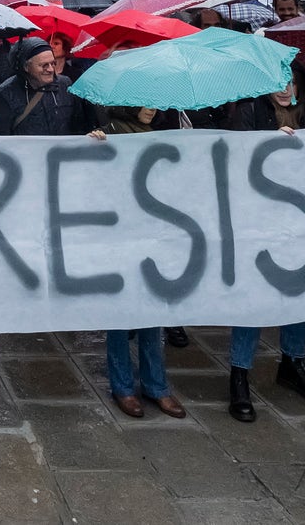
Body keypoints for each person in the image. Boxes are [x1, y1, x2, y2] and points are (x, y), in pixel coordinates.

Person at [226, 66, 305, 423]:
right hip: (256, 220)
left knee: (299, 293)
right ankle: (239, 374)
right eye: (276, 83)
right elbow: (233, 158)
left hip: (302, 222)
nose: (284, 89)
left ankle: (293, 362)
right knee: (253, 298)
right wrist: (266, 142)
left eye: (290, 82)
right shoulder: (249, 113)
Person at [94, 106, 187, 420]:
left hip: (154, 231)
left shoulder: (161, 132)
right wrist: (93, 145)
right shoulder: (111, 131)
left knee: (153, 311)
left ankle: (155, 385)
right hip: (120, 233)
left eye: (153, 102)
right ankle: (122, 385)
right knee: (120, 314)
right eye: (143, 102)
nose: (151, 108)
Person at [0, 37, 96, 137]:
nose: (50, 69)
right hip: (27, 156)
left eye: (53, 63)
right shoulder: (5, 94)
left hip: (65, 154)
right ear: (26, 66)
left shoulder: (65, 84)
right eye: (44, 65)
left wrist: (90, 135)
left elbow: (80, 125)